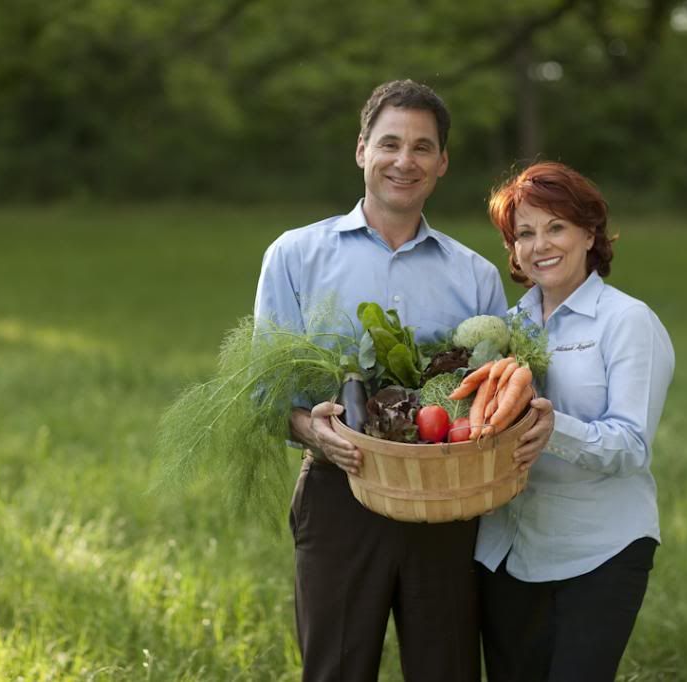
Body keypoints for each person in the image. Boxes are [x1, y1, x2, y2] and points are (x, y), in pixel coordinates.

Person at [253, 79, 555, 681]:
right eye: (390, 143)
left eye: (422, 147)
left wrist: (533, 411)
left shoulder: (473, 275)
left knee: (446, 670)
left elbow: (499, 385)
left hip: (445, 502)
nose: (404, 160)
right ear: (361, 148)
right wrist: (313, 432)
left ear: (442, 163)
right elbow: (265, 397)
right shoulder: (294, 255)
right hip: (341, 493)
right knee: (335, 669)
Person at [475, 161, 675, 681]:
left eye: (556, 226)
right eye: (524, 233)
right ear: (513, 250)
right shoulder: (506, 328)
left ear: (590, 232)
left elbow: (631, 446)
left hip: (598, 553)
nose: (540, 244)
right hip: (507, 550)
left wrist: (551, 428)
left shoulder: (627, 322)